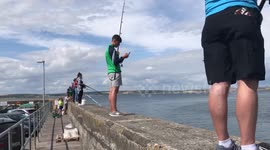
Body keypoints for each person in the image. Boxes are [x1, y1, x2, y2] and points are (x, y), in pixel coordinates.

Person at [202, 1, 265, 150]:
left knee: (218, 83)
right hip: (242, 13)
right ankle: (248, 146)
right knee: (247, 80)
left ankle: (224, 143)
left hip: (212, 21)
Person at [105, 34, 130, 117]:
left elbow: (114, 60)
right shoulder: (112, 49)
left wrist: (117, 55)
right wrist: (123, 57)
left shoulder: (109, 49)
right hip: (115, 72)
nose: (119, 45)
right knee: (114, 91)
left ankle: (112, 110)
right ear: (115, 41)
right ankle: (113, 111)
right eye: (118, 43)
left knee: (112, 91)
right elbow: (115, 62)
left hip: (111, 72)